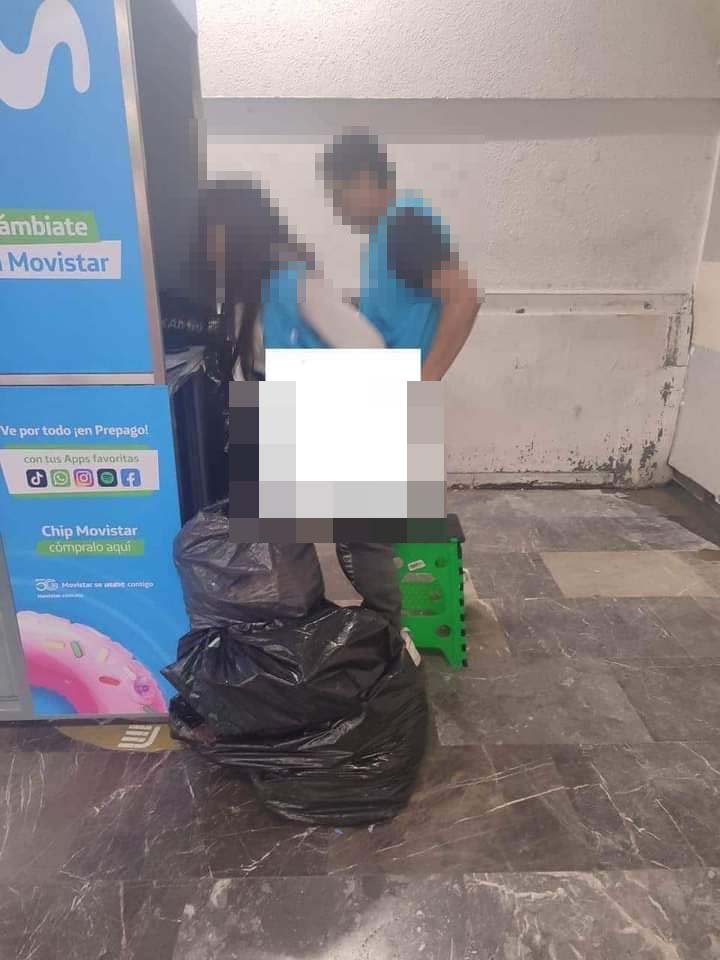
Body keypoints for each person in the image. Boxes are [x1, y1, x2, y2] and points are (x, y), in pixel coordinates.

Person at [199, 179, 403, 630]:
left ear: (237, 227)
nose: (206, 239)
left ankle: (388, 631)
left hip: (323, 405)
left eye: (211, 226)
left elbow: (369, 346)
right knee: (280, 534)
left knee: (361, 533)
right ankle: (303, 626)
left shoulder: (295, 282)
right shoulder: (245, 285)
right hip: (276, 405)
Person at [320, 131, 483, 381]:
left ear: (365, 179)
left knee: (274, 389)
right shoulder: (383, 234)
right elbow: (400, 305)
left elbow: (465, 297)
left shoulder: (405, 224)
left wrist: (426, 380)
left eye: (339, 195)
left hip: (400, 384)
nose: (337, 209)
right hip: (383, 378)